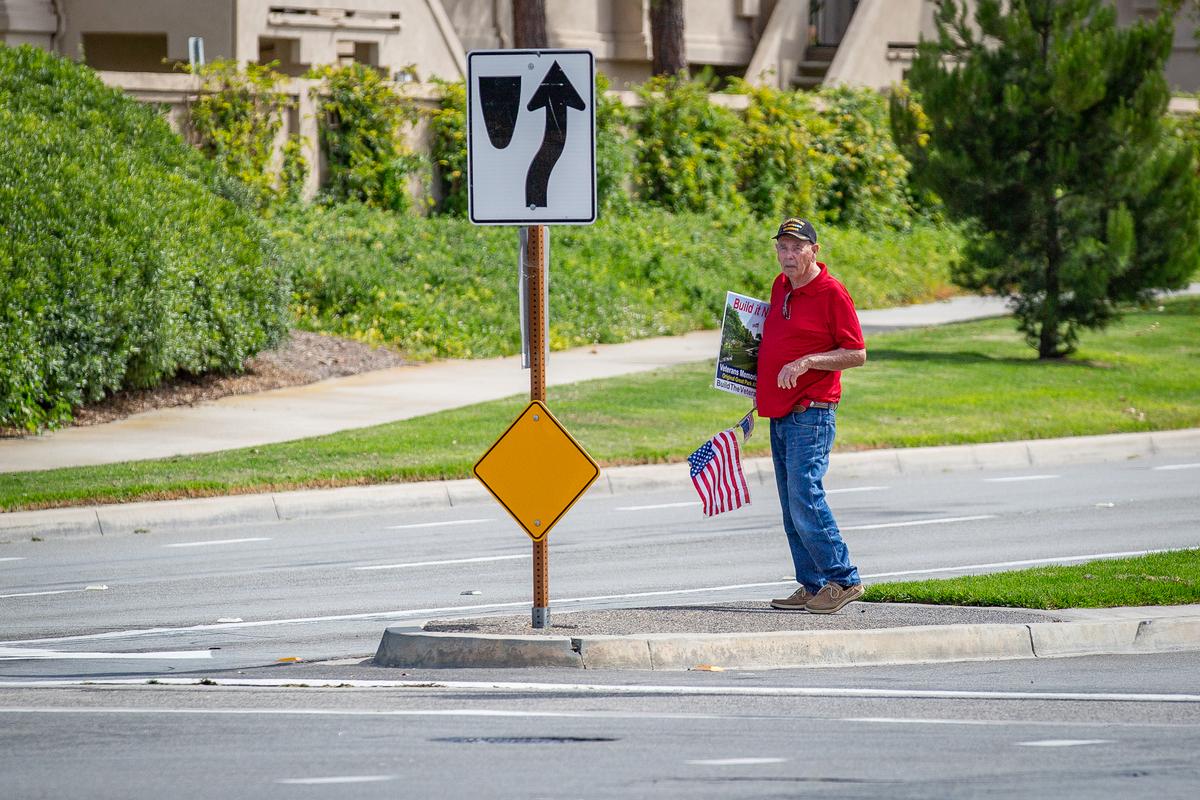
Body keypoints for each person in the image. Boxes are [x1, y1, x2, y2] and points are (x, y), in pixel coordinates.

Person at [757, 218, 867, 614]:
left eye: (796, 248)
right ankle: (812, 584)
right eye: (782, 248)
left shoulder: (832, 292)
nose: (787, 256)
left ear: (814, 251)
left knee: (806, 495)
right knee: (791, 504)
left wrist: (808, 362)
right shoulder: (780, 286)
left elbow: (856, 352)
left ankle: (843, 579)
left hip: (813, 412)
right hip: (780, 412)